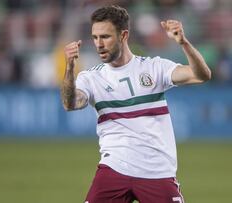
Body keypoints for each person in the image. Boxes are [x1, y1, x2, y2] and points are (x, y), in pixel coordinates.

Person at [61, 5, 211, 203]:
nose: (99, 44)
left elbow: (201, 75)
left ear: (123, 36)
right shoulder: (91, 77)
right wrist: (70, 68)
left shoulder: (154, 68)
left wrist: (183, 43)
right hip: (113, 169)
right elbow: (70, 103)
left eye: (105, 37)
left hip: (157, 171)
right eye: (95, 37)